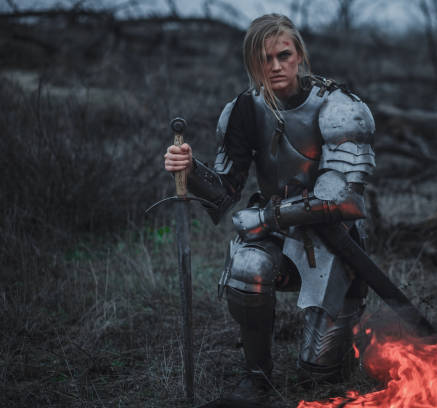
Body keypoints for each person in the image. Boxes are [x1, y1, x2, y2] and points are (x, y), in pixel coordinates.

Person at [164, 13, 375, 400]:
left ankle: (334, 354)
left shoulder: (339, 107)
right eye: (265, 58)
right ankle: (256, 376)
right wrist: (190, 168)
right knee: (247, 265)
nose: (276, 66)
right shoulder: (244, 110)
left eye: (284, 55)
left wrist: (264, 216)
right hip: (277, 236)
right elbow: (225, 192)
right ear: (252, 62)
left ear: (299, 55)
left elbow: (340, 197)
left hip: (335, 240)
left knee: (319, 378)